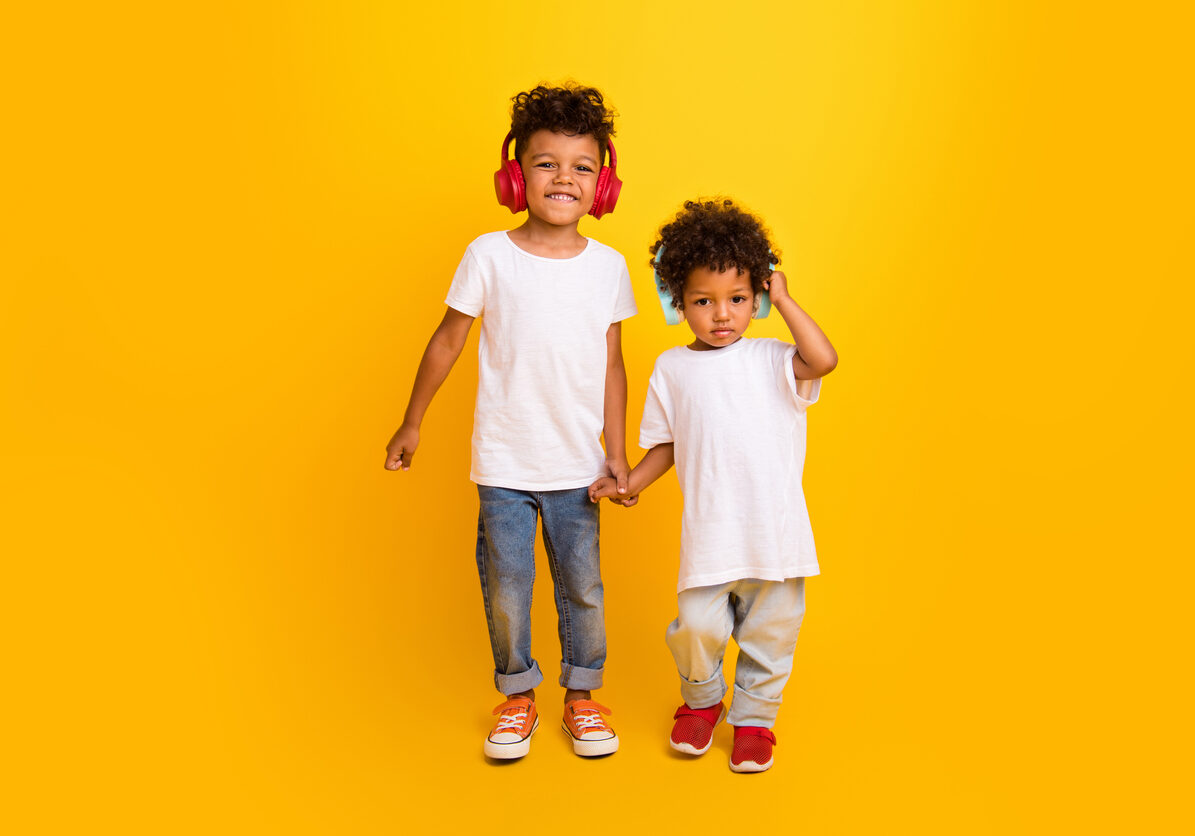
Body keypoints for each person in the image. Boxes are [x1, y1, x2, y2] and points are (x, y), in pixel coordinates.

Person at [384, 84, 636, 760]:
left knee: (581, 587)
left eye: (581, 166)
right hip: (502, 463)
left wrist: (617, 451)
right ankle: (517, 696)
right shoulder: (487, 255)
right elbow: (447, 339)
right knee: (506, 590)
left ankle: (581, 699)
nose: (562, 178)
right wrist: (413, 422)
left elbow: (612, 365)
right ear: (514, 174)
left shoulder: (608, 268)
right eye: (545, 162)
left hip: (578, 468)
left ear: (601, 185)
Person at [589, 199, 837, 772]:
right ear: (679, 302)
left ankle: (754, 721)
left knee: (770, 637)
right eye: (703, 301)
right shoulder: (673, 369)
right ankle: (702, 704)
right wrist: (633, 483)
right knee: (697, 627)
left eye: (738, 299)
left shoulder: (774, 358)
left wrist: (788, 297)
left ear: (760, 300)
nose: (721, 315)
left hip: (775, 538)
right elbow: (668, 445)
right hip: (711, 537)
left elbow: (823, 359)